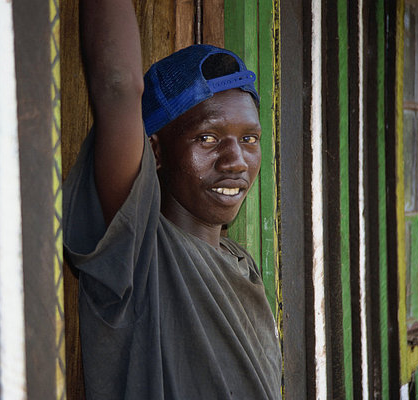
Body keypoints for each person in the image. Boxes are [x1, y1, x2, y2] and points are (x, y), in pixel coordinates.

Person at [63, 0, 282, 398]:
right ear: (156, 152)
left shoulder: (240, 263)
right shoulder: (138, 250)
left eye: (249, 139)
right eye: (208, 139)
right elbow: (117, 85)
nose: (236, 161)